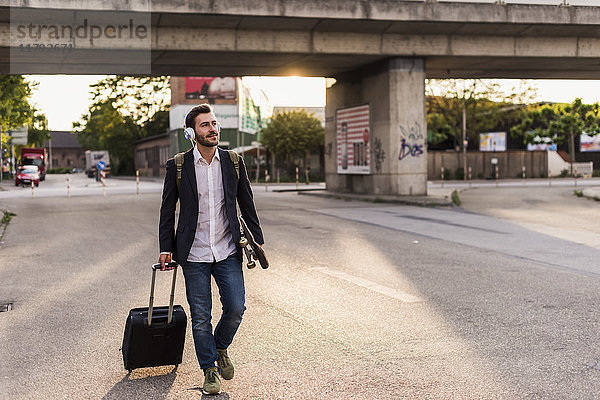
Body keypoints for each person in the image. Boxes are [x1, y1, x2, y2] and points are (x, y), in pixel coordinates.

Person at [158, 103, 264, 395]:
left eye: (214, 123)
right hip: (193, 253)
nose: (213, 129)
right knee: (201, 315)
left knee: (235, 308)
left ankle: (220, 347)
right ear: (192, 133)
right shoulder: (178, 165)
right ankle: (209, 369)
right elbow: (167, 210)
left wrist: (257, 238)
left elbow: (247, 202)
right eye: (205, 125)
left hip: (227, 249)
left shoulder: (232, 162)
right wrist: (165, 247)